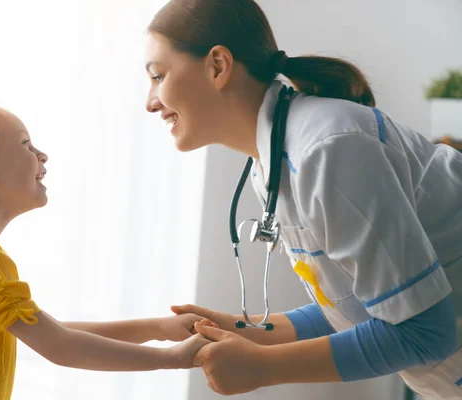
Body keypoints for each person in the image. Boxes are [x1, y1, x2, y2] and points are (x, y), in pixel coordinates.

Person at [144, 0, 462, 398]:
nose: (150, 101)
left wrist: (264, 367)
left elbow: (424, 331)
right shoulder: (275, 162)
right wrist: (247, 331)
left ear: (218, 66)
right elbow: (359, 305)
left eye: (158, 76)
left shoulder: (328, 148)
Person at [0, 101, 212, 399]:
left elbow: (52, 330)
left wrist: (160, 329)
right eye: (26, 144)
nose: (42, 155)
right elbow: (60, 345)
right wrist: (176, 359)